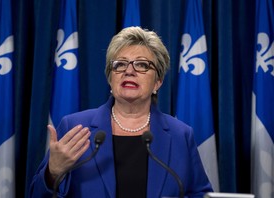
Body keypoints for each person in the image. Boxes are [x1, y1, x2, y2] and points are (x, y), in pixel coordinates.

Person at [29, 26, 213, 198]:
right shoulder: (75, 127)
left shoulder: (180, 135)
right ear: (110, 79)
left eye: (142, 65)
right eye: (120, 64)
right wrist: (52, 172)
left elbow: (201, 195)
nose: (129, 71)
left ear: (158, 82)